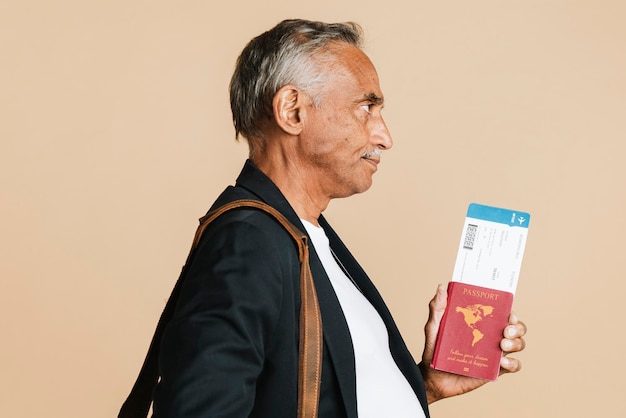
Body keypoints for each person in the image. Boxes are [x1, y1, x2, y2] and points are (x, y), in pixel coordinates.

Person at [152, 19, 527, 417]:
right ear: (292, 111)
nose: (384, 136)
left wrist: (424, 385)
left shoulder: (305, 237)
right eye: (366, 107)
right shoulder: (250, 240)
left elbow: (328, 397)